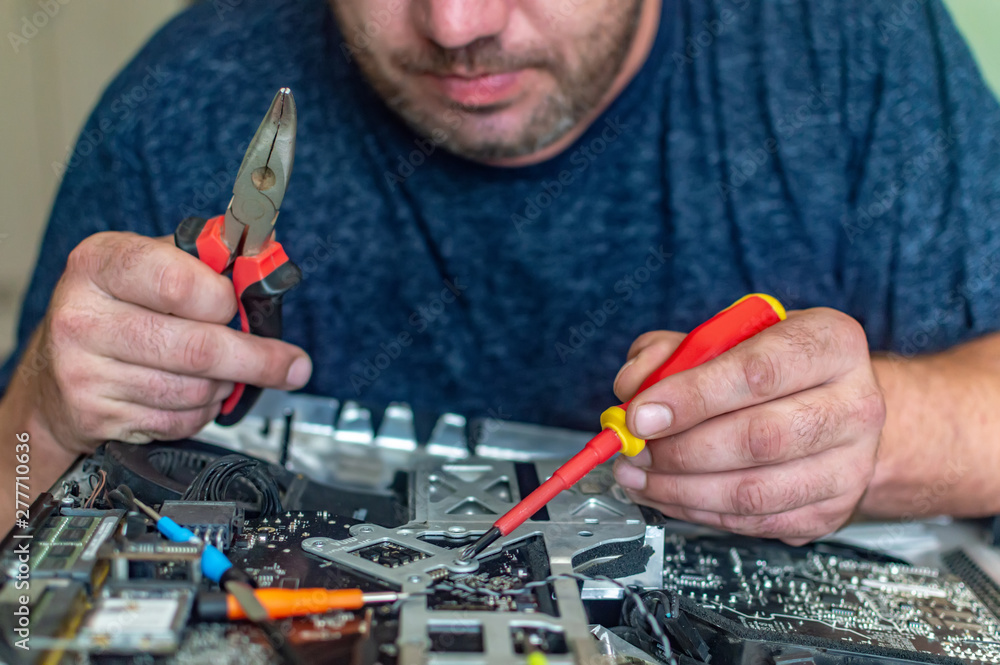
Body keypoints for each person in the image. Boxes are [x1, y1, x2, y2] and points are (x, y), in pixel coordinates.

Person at [2, 0, 999, 544]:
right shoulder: (178, 99)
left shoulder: (858, 48)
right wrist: (42, 417)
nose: (455, 24)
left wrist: (868, 440)